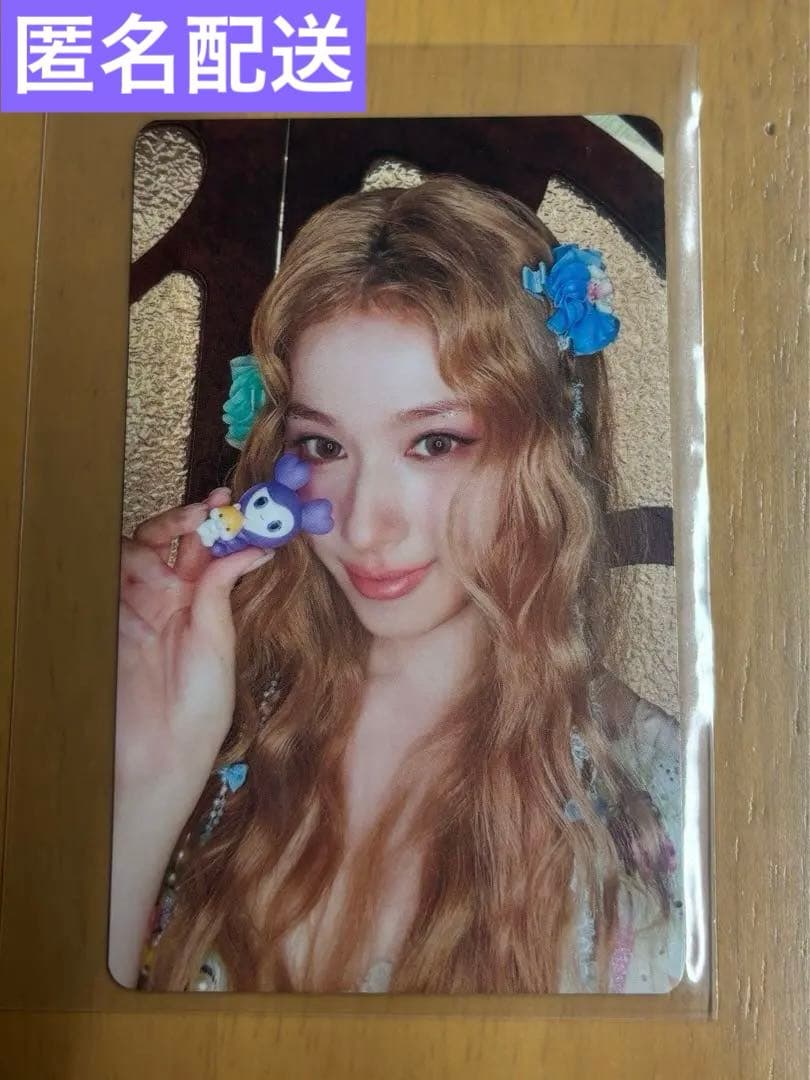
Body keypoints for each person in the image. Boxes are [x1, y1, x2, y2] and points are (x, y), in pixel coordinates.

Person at [111, 174, 683, 994]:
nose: (365, 525)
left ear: (548, 455)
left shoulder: (662, 801)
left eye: (435, 443)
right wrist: (149, 778)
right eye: (324, 447)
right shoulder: (207, 722)